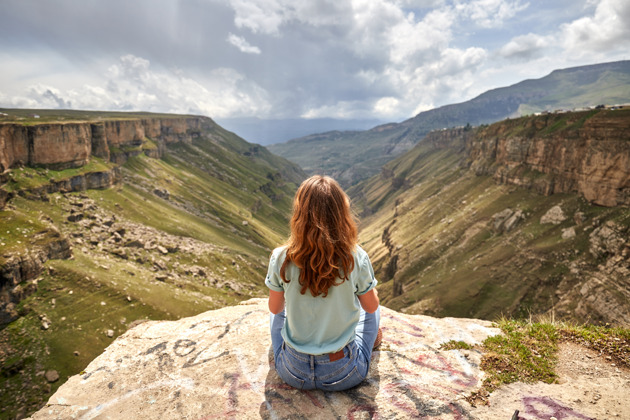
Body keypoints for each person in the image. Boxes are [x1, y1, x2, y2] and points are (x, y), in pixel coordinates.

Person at [265, 175, 381, 391]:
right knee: (372, 310)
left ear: (299, 214)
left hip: (293, 370)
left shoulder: (280, 257)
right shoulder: (355, 256)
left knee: (276, 311)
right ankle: (367, 340)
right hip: (343, 372)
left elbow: (275, 308)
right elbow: (371, 306)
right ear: (341, 214)